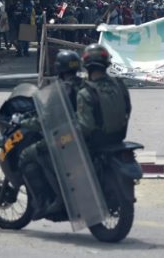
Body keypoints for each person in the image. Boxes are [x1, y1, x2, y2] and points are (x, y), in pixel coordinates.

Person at [19, 50, 83, 220]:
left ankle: (44, 202)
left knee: (27, 155)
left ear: (59, 69)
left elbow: (45, 120)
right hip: (80, 137)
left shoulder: (60, 90)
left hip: (64, 138)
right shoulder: (84, 85)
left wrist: (24, 122)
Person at [76, 44, 131, 150]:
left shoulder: (85, 93)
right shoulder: (120, 85)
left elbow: (86, 127)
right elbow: (128, 109)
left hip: (96, 147)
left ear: (86, 65)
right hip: (118, 139)